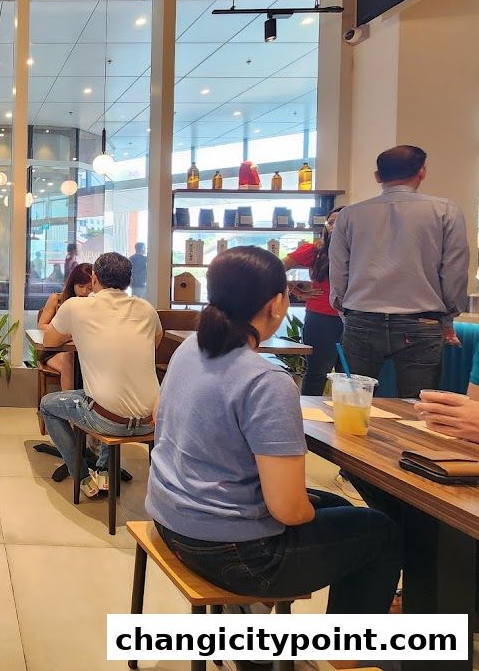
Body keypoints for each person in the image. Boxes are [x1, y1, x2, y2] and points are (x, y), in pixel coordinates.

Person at [146, 247, 401, 615]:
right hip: (231, 551)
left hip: (170, 520)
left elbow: (158, 417)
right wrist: (301, 508)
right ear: (277, 304)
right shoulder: (266, 380)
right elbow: (287, 510)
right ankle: (350, 654)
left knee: (338, 507)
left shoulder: (190, 347)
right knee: (380, 531)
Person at [330, 145, 469, 399]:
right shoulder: (445, 210)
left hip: (361, 318)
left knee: (352, 404)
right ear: (422, 171)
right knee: (416, 409)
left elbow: (339, 272)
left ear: (377, 176)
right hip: (423, 321)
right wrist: (448, 316)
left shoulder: (349, 215)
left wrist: (344, 310)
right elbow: (455, 271)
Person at [40, 253, 162, 499]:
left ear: (94, 278)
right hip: (152, 421)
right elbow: (155, 343)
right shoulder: (147, 309)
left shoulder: (77, 306)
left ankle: (83, 477)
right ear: (128, 281)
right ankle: (105, 470)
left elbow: (49, 341)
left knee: (48, 405)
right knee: (111, 394)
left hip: (108, 420)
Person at [282, 206, 344, 395]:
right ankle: (309, 418)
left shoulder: (362, 251)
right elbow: (274, 267)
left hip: (355, 318)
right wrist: (297, 293)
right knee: (317, 371)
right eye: (331, 222)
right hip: (320, 317)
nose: (334, 226)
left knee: (349, 374)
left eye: (340, 222)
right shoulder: (314, 250)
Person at [37, 263, 93, 390]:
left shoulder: (94, 304)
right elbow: (41, 325)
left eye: (89, 288)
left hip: (84, 352)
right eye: (80, 286)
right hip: (55, 350)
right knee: (70, 359)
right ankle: (68, 404)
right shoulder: (57, 299)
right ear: (72, 284)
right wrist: (65, 335)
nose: (84, 292)